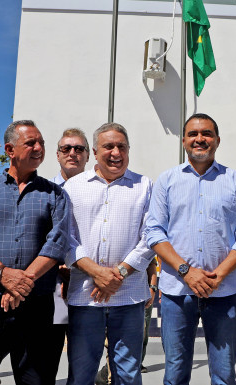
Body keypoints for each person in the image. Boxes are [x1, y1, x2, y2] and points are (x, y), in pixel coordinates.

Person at [146, 113, 236, 385]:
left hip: (224, 292)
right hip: (176, 293)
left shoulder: (235, 181)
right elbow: (154, 232)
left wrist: (217, 276)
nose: (199, 139)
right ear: (183, 140)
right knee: (175, 373)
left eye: (206, 133)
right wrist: (186, 271)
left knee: (223, 374)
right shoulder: (167, 180)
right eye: (193, 134)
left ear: (217, 140)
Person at [0, 120, 70, 385]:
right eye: (30, 142)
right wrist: (3, 274)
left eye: (41, 142)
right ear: (9, 149)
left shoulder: (55, 194)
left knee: (35, 377)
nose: (38, 147)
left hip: (36, 302)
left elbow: (57, 243)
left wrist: (21, 283)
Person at [63, 123, 155, 385]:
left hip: (129, 295)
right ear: (94, 152)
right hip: (85, 295)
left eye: (122, 147)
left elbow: (151, 236)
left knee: (127, 374)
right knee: (81, 374)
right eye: (108, 146)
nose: (116, 152)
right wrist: (97, 273)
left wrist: (119, 273)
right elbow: (65, 237)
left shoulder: (144, 185)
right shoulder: (73, 187)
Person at [51, 127, 91, 371]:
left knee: (83, 362)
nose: (72, 153)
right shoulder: (44, 190)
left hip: (88, 282)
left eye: (79, 149)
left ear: (88, 156)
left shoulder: (99, 189)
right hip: (52, 285)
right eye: (66, 148)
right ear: (57, 155)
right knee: (47, 357)